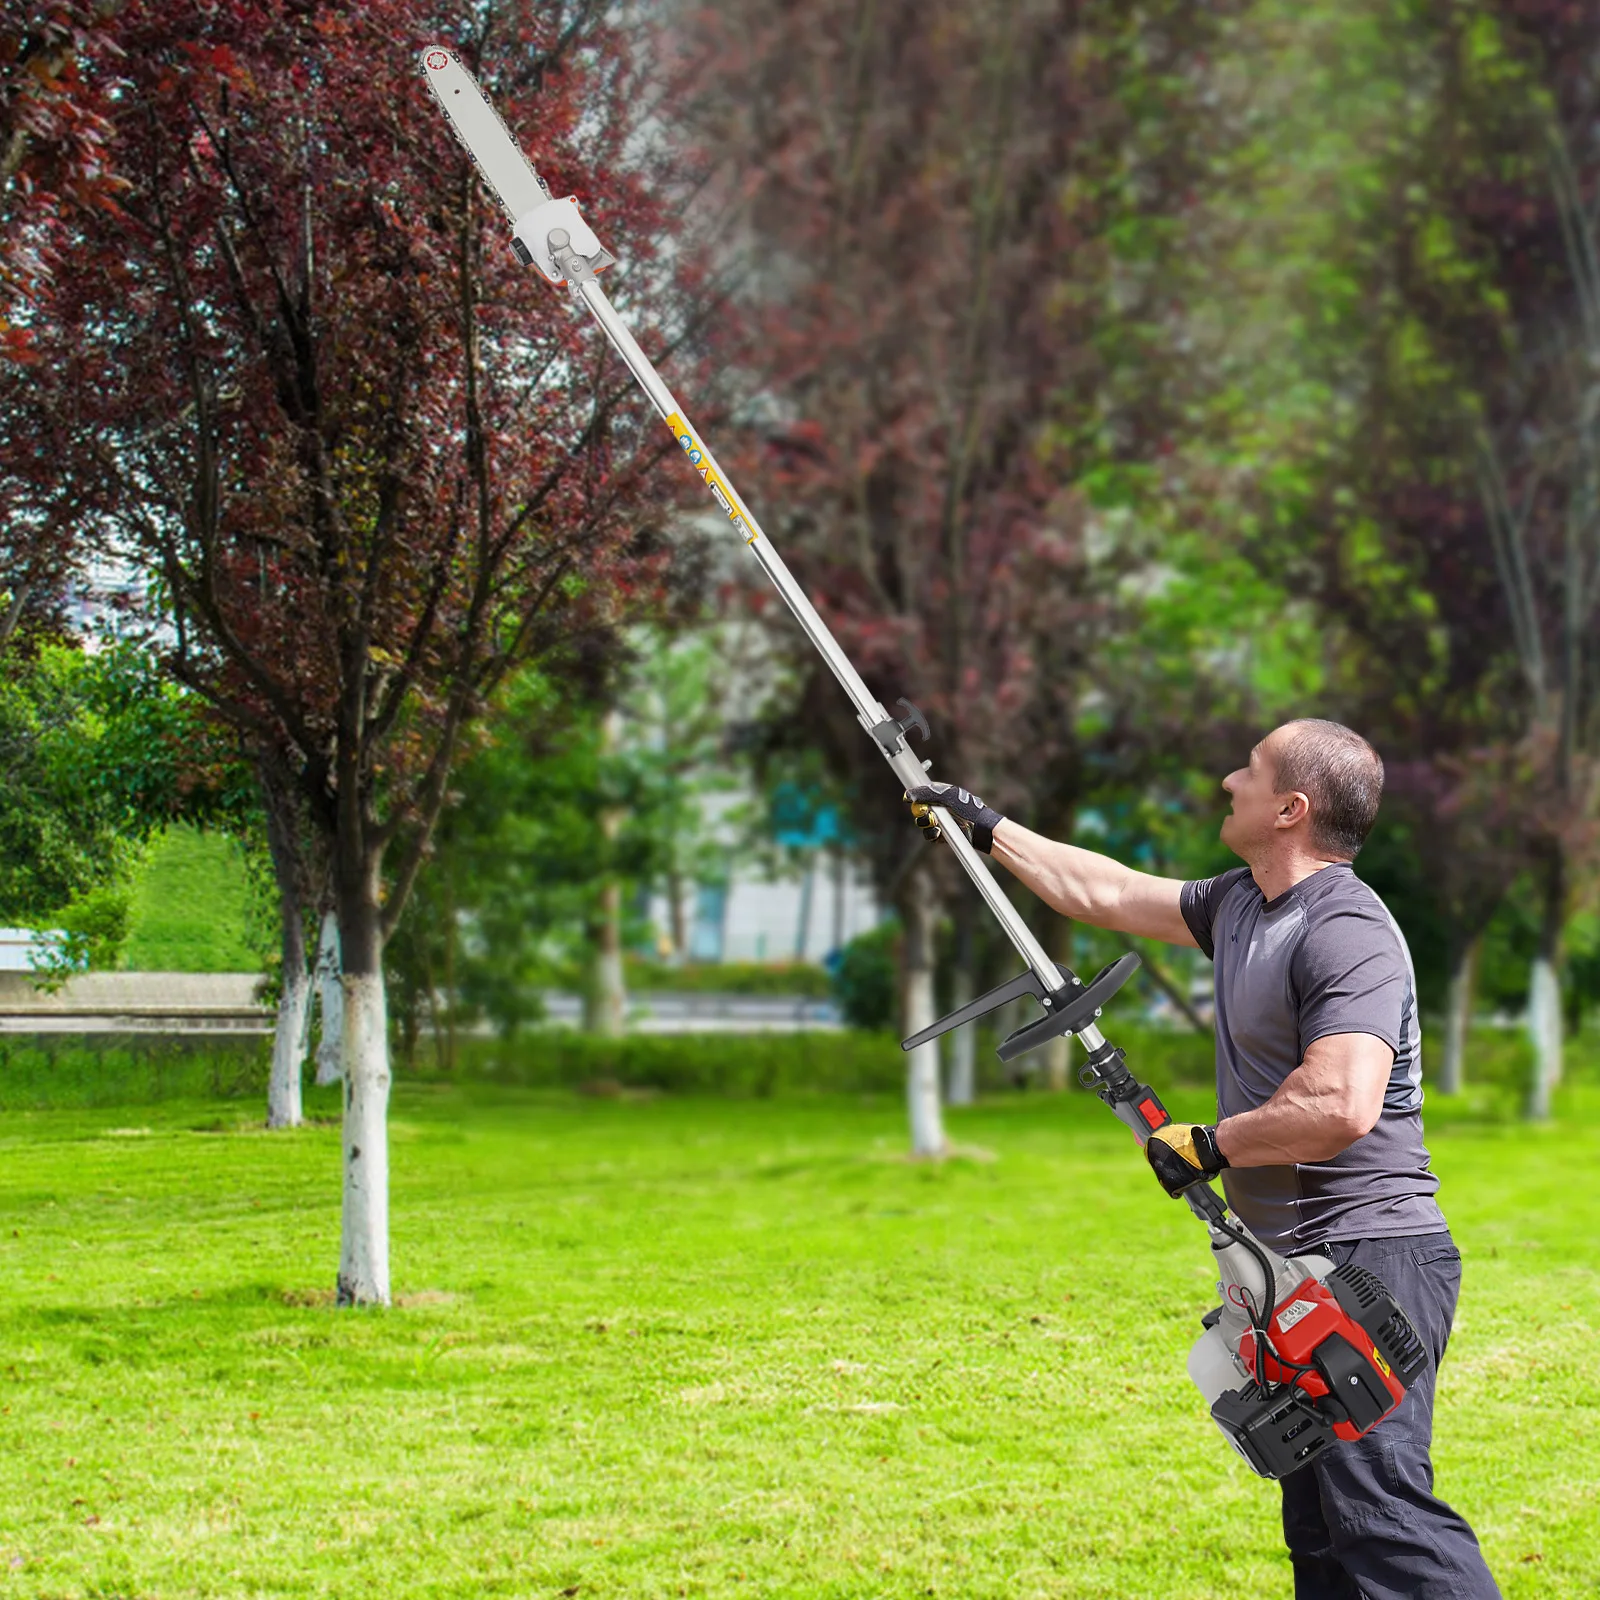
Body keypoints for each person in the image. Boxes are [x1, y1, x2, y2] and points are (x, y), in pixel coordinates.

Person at [908, 719, 1500, 1600]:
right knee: (1322, 1533)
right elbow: (1101, 890)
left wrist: (1213, 1145)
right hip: (1290, 1266)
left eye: (1250, 773)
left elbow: (1342, 1102)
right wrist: (982, 824)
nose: (1230, 781)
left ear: (1291, 809)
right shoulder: (1240, 903)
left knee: (1380, 1513)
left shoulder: (1348, 930)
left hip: (1369, 1255)